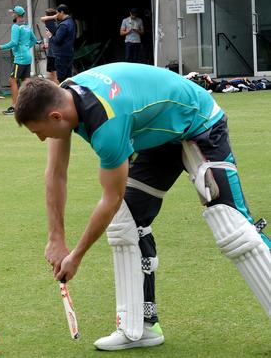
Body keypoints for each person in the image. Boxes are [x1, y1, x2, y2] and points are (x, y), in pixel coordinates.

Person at [14, 63, 271, 351]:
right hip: (157, 133)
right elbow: (55, 174)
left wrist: (76, 256)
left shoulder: (107, 124)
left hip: (198, 121)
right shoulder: (63, 97)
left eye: (39, 131)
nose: (40, 138)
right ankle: (141, 327)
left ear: (55, 116)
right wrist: (56, 239)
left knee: (232, 227)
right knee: (127, 223)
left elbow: (110, 198)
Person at [0, 5, 37, 115]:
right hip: (27, 57)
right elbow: (34, 40)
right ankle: (28, 106)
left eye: (13, 13)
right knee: (26, 83)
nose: (12, 14)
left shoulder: (15, 27)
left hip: (20, 59)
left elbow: (14, 42)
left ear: (16, 15)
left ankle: (15, 106)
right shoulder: (26, 26)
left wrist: (0, 47)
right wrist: (26, 47)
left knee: (12, 81)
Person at [41, 4, 76, 84]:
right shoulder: (71, 21)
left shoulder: (63, 25)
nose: (56, 15)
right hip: (68, 53)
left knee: (61, 78)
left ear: (62, 12)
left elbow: (57, 40)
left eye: (57, 13)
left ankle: (61, 94)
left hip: (61, 55)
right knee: (67, 77)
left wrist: (50, 36)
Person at [41, 8, 58, 83]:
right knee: (51, 76)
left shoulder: (50, 23)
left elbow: (42, 19)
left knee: (54, 76)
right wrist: (48, 45)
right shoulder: (52, 23)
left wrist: (54, 16)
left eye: (46, 15)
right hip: (51, 52)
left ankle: (58, 92)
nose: (44, 16)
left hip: (54, 54)